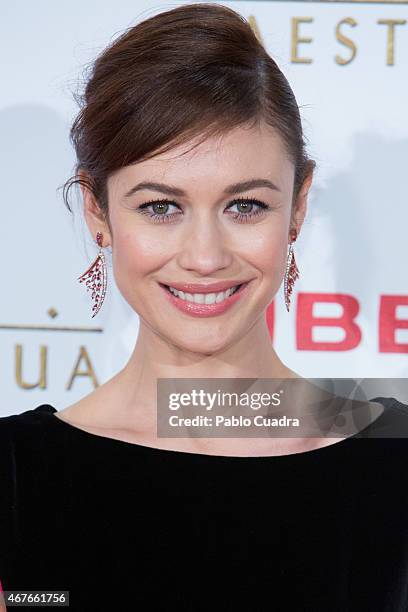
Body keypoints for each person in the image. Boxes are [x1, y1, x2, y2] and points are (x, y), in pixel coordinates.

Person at [1, 3, 407, 611]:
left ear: (297, 208)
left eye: (245, 205)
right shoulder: (16, 481)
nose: (205, 256)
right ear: (97, 211)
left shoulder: (394, 463)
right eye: (160, 207)